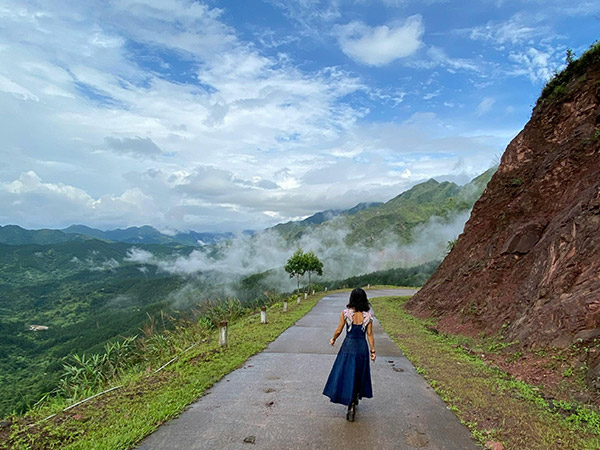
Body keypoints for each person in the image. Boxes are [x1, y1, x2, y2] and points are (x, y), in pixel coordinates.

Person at [322, 287, 375, 422]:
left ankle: (349, 401)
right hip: (362, 348)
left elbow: (339, 330)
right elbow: (369, 335)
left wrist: (333, 339)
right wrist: (372, 351)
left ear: (351, 299)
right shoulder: (368, 316)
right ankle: (355, 397)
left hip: (348, 347)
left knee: (347, 373)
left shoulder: (345, 314)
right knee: (358, 374)